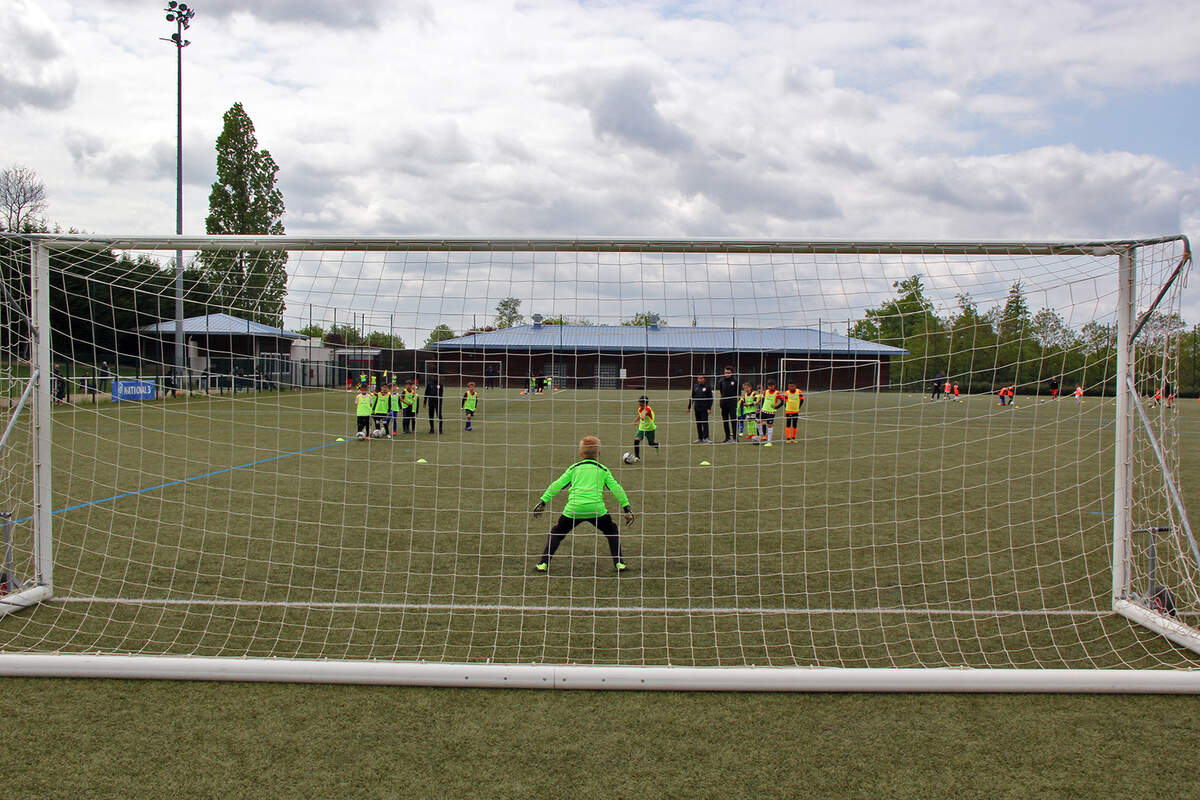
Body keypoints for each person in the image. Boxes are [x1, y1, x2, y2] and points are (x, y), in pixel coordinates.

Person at [531, 435, 634, 574]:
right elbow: (617, 489)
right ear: (599, 453)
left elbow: (557, 485)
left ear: (581, 453)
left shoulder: (574, 468)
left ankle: (543, 564)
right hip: (596, 509)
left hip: (574, 509)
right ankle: (619, 564)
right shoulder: (602, 470)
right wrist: (626, 508)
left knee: (556, 533)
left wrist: (543, 501)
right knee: (612, 531)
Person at [716, 365, 739, 443]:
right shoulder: (721, 381)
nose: (727, 374)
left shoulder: (735, 381)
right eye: (726, 372)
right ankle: (727, 437)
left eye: (729, 373)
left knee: (733, 420)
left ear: (732, 373)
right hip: (724, 402)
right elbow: (721, 392)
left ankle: (735, 438)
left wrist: (736, 402)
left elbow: (738, 393)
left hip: (733, 403)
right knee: (725, 420)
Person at [687, 374, 714, 443]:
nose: (700, 379)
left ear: (704, 379)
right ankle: (700, 438)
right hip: (697, 408)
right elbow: (692, 397)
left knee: (704, 423)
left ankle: (706, 438)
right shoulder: (695, 386)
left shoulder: (708, 387)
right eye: (699, 378)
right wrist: (689, 407)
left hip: (704, 408)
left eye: (701, 378)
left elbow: (710, 399)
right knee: (698, 423)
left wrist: (709, 408)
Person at [632, 395, 658, 460]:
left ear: (644, 404)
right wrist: (636, 419)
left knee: (651, 443)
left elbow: (644, 414)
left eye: (640, 403)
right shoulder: (640, 409)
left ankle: (657, 445)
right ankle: (637, 457)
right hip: (642, 428)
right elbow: (640, 414)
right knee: (636, 441)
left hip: (650, 429)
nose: (639, 404)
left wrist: (643, 417)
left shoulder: (648, 409)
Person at [759, 380, 782, 446]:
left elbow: (783, 401)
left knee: (769, 426)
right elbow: (763, 400)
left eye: (771, 386)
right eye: (768, 386)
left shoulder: (777, 393)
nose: (770, 387)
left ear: (774, 386)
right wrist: (760, 408)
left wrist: (776, 407)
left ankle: (769, 442)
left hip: (771, 412)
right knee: (758, 421)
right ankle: (762, 436)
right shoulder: (765, 392)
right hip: (763, 411)